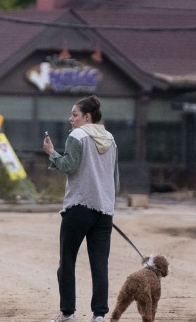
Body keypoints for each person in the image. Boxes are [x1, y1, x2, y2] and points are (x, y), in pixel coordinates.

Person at [43, 95, 119, 322]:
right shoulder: (111, 139)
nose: (71, 119)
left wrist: (51, 153)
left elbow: (69, 165)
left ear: (87, 117)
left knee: (67, 261)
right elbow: (115, 179)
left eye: (75, 115)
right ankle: (99, 316)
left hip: (78, 206)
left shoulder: (77, 135)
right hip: (104, 210)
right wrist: (106, 201)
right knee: (99, 265)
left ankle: (68, 313)